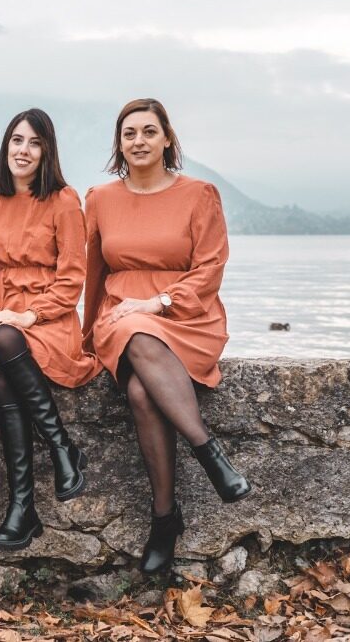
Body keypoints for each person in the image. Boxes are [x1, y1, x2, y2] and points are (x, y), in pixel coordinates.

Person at [84, 98, 251, 574]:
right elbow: (94, 273)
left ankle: (164, 518)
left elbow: (211, 265)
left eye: (149, 131)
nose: (139, 140)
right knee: (131, 327)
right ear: (119, 143)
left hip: (186, 316)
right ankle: (209, 453)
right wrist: (85, 337)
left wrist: (159, 302)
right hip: (120, 316)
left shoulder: (200, 194)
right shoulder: (99, 199)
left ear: (167, 140)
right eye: (129, 133)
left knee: (141, 391)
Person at [0, 109, 101, 550]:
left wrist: (31, 314)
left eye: (33, 143)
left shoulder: (64, 201)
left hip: (49, 318)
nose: (23, 151)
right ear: (5, 146)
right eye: (16, 141)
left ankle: (22, 508)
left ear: (47, 150)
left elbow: (72, 277)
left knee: (6, 385)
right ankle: (61, 446)